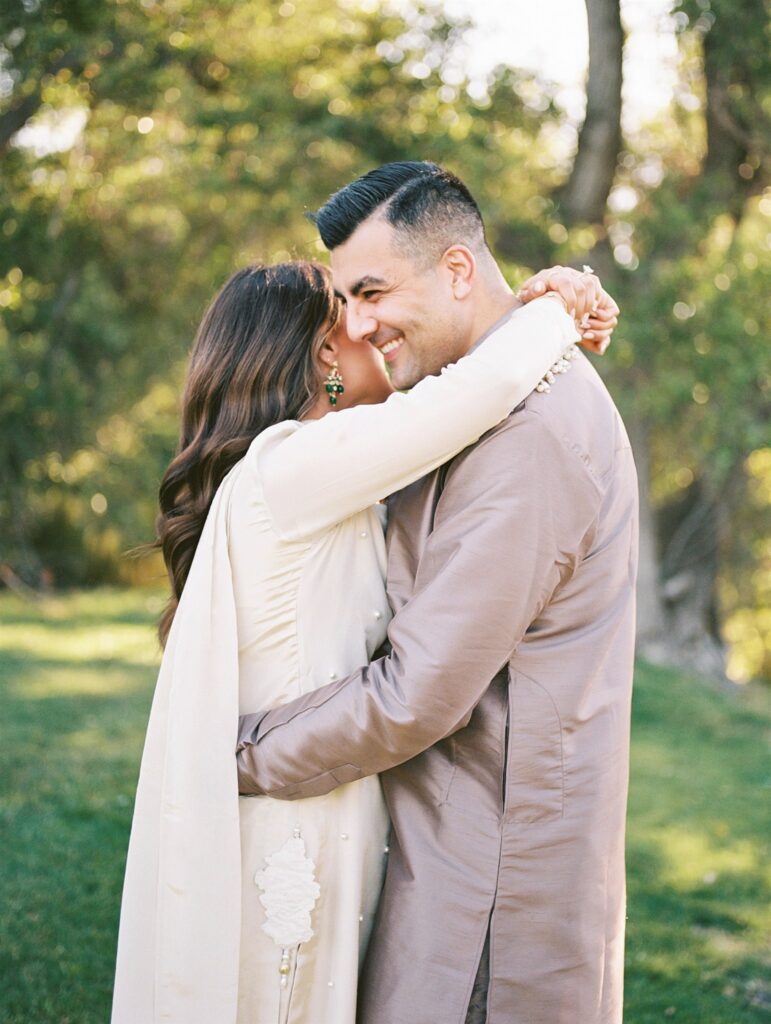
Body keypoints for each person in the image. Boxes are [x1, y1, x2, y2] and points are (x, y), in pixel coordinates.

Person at [111, 254, 616, 1024]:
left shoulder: (329, 471)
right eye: (351, 308)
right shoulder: (294, 464)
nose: (373, 324)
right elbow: (476, 392)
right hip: (289, 825)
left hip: (327, 798)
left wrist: (535, 302)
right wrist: (551, 310)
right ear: (323, 355)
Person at [236, 162, 638, 1024]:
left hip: (495, 896)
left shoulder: (530, 437)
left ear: (456, 271)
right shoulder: (469, 404)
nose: (358, 325)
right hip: (453, 858)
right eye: (345, 301)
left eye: (373, 291)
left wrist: (233, 755)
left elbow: (418, 695)